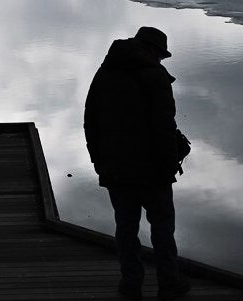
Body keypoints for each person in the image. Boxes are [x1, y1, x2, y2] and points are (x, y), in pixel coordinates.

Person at [84, 26, 191, 301]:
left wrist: (98, 160)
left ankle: (131, 283)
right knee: (163, 227)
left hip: (115, 168)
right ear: (154, 51)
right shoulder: (156, 77)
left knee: (126, 227)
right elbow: (163, 128)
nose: (162, 61)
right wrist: (169, 166)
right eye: (162, 56)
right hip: (152, 170)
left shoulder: (105, 71)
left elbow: (90, 120)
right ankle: (169, 283)